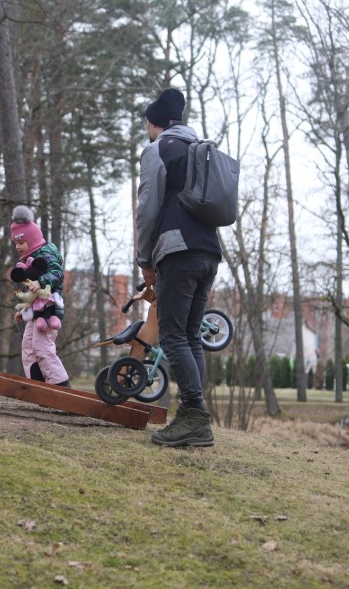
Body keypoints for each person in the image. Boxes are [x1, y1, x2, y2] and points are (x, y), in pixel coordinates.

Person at [135, 88, 222, 447]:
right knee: (189, 336)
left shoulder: (158, 150)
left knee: (172, 336)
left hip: (177, 251)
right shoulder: (201, 150)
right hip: (209, 252)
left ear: (153, 123)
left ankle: (195, 418)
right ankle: (192, 415)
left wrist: (145, 260)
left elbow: (147, 208)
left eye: (146, 125)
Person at [10, 205, 70, 388]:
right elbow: (31, 292)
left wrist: (41, 281)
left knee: (43, 347)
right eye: (15, 243)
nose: (17, 246)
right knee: (28, 347)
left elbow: (58, 274)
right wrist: (25, 310)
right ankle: (37, 385)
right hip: (35, 312)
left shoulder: (46, 254)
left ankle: (61, 386)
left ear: (32, 239)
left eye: (21, 242)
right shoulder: (30, 257)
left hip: (49, 312)